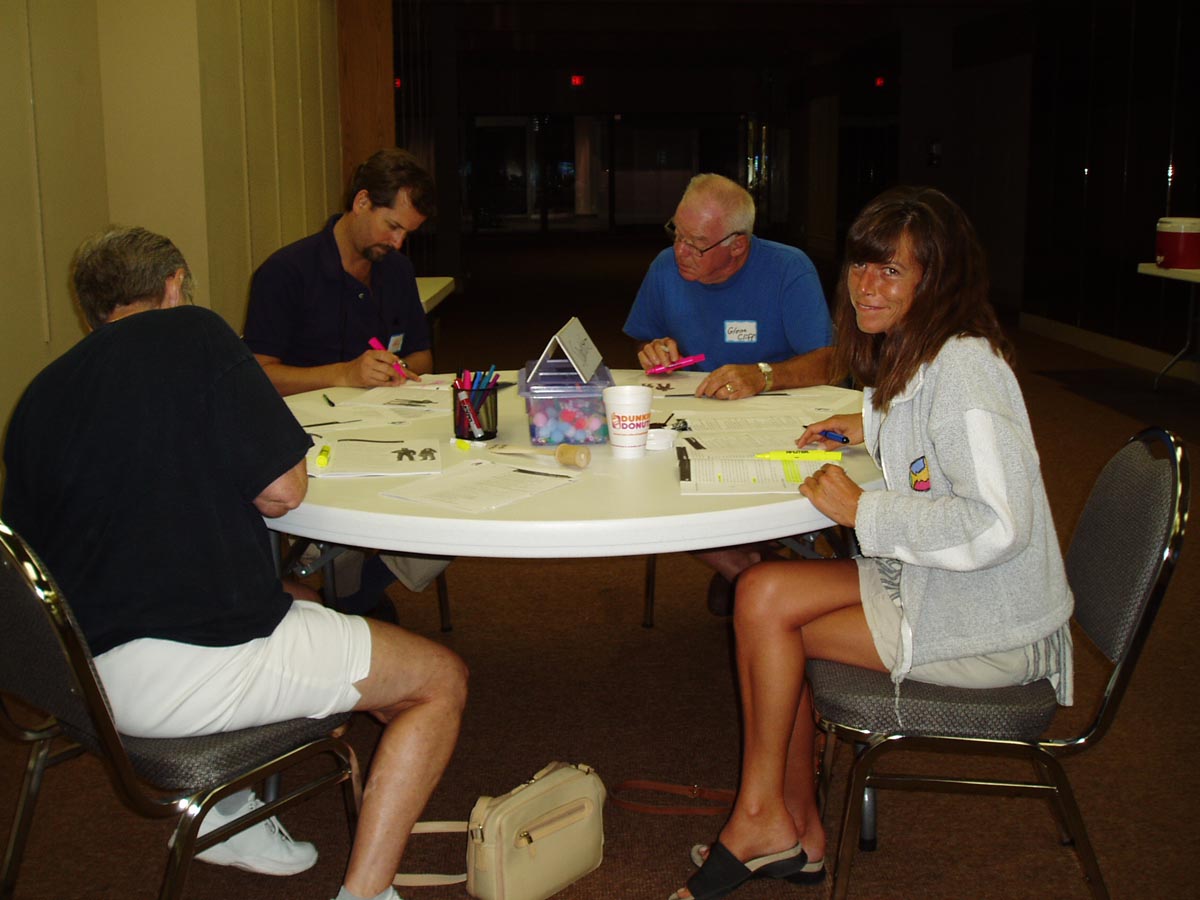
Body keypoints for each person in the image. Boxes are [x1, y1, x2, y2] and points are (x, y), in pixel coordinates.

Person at [2, 226, 467, 900]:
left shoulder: (42, 392)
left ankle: (228, 814)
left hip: (69, 674)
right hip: (178, 674)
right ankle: (366, 894)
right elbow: (284, 492)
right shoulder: (194, 331)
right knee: (439, 680)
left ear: (93, 306)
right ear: (175, 285)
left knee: (304, 601)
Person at [669, 186, 1074, 900]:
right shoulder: (925, 356)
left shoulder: (967, 371)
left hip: (991, 624)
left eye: (891, 270)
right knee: (761, 592)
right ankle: (789, 830)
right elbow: (931, 435)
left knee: (771, 626)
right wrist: (871, 421)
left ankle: (770, 824)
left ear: (936, 279)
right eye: (861, 265)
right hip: (939, 584)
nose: (866, 285)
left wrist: (864, 511)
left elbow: (995, 525)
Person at [243, 147, 449, 616]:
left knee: (462, 488)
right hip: (311, 442)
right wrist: (343, 374)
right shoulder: (286, 273)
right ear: (361, 202)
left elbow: (422, 355)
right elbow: (258, 376)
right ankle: (349, 590)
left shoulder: (396, 270)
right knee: (354, 509)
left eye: (408, 233)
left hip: (393, 426)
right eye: (392, 227)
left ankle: (360, 591)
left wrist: (402, 370)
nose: (398, 243)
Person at [622, 173, 838, 612]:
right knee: (642, 477)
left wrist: (764, 376)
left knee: (707, 479)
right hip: (694, 416)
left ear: (737, 245)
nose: (680, 250)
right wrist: (653, 350)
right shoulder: (665, 268)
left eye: (696, 243)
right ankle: (748, 568)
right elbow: (643, 338)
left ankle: (746, 568)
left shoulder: (788, 269)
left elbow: (830, 362)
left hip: (777, 420)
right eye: (677, 233)